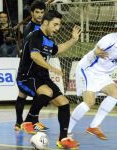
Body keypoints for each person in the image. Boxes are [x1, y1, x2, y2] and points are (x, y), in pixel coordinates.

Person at [16, 10, 81, 149]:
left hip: (43, 77)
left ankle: (63, 139)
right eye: (55, 24)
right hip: (27, 76)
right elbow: (35, 56)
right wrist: (52, 68)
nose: (57, 28)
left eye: (59, 25)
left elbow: (58, 49)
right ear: (46, 22)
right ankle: (28, 121)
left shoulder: (49, 40)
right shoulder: (35, 36)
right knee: (47, 92)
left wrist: (73, 40)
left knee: (64, 103)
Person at [68, 19, 117, 141]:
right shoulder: (109, 40)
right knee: (89, 102)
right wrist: (96, 51)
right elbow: (94, 52)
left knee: (115, 94)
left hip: (102, 74)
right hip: (88, 69)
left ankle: (93, 126)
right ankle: (66, 131)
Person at [15, 1, 47, 132]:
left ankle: (20, 123)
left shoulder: (39, 26)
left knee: (23, 94)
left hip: (35, 67)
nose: (40, 15)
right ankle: (31, 121)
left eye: (42, 12)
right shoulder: (31, 28)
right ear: (32, 13)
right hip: (30, 68)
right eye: (37, 12)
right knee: (37, 94)